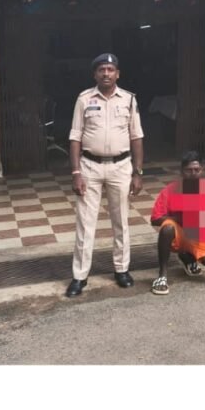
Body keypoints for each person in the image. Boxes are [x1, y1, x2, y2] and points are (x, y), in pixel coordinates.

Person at [65, 53, 145, 298]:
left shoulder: (129, 99)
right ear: (95, 74)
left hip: (121, 167)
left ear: (118, 74)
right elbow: (75, 137)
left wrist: (138, 172)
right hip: (90, 166)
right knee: (85, 223)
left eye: (111, 69)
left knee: (121, 221)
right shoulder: (84, 99)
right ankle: (80, 276)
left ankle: (122, 269)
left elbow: (136, 137)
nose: (106, 74)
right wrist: (76, 172)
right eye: (102, 69)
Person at [149, 151, 205, 295]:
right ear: (182, 171)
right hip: (179, 233)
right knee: (167, 228)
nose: (193, 173)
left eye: (196, 170)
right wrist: (180, 219)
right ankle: (162, 276)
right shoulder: (171, 190)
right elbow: (155, 219)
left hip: (200, 235)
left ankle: (187, 257)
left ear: (202, 170)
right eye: (188, 170)